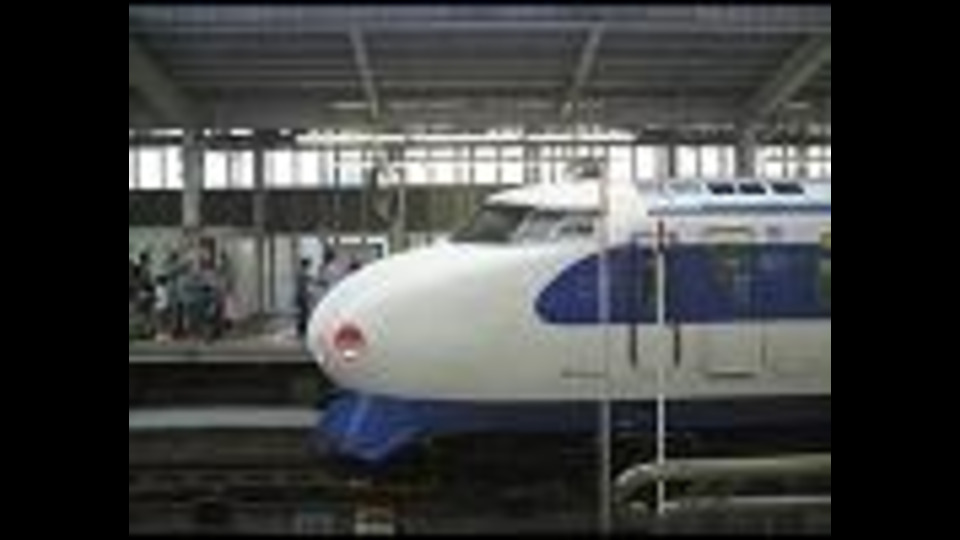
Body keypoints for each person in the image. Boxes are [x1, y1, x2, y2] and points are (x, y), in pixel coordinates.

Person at [295, 258, 313, 339]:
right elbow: (308, 280)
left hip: (302, 295)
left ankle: (301, 329)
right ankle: (301, 329)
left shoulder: (301, 272)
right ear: (306, 265)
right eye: (308, 265)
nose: (309, 267)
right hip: (302, 296)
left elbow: (308, 281)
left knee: (304, 313)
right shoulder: (302, 273)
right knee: (304, 313)